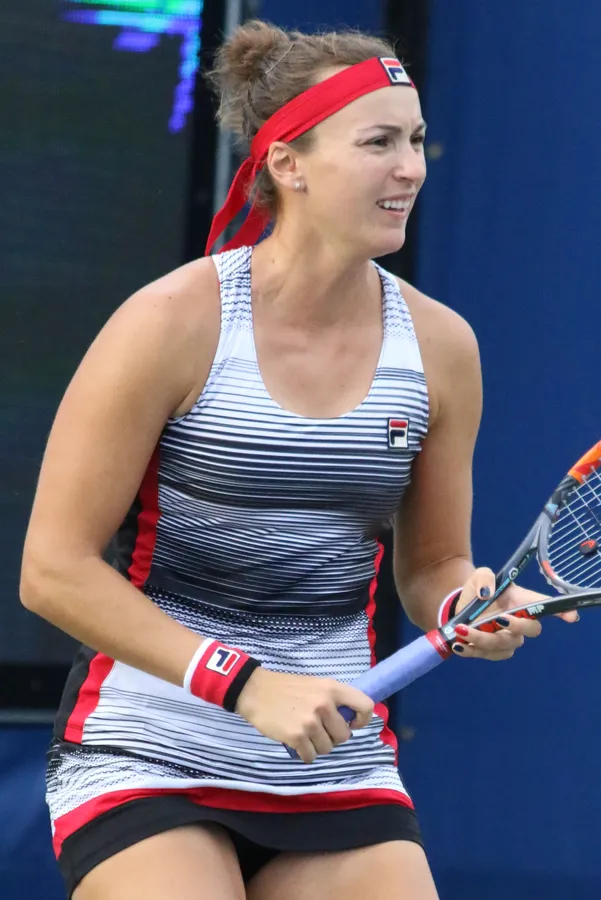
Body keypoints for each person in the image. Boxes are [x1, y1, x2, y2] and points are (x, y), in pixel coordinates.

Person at [20, 19, 576, 900]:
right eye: (379, 143)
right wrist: (245, 685)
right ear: (288, 162)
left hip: (333, 760)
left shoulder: (442, 346)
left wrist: (464, 604)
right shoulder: (169, 322)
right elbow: (52, 570)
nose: (410, 168)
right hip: (150, 745)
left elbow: (433, 563)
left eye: (416, 141)